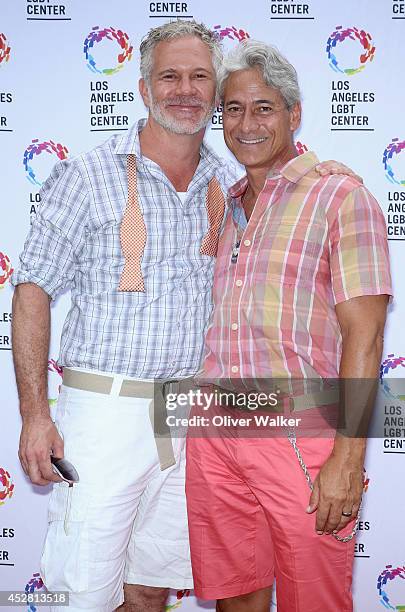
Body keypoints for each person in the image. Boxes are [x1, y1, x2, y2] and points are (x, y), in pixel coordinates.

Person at [12, 20, 360, 612]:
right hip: (104, 411)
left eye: (201, 77)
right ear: (144, 88)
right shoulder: (88, 175)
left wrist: (326, 169)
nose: (185, 89)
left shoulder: (229, 184)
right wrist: (34, 416)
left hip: (196, 417)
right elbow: (31, 291)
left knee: (153, 585)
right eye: (169, 75)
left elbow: (293, 198)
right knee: (86, 592)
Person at [185, 40, 392, 611]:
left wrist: (348, 462)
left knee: (314, 601)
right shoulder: (223, 205)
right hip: (214, 431)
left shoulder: (342, 196)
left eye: (264, 108)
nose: (246, 124)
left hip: (302, 436)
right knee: (235, 599)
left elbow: (367, 337)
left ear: (295, 114)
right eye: (232, 109)